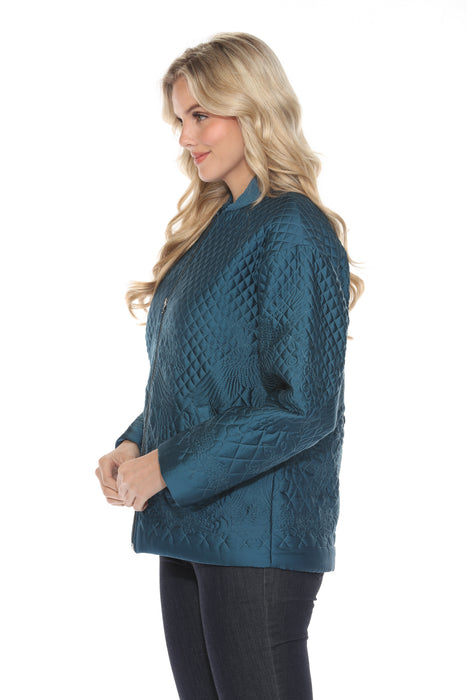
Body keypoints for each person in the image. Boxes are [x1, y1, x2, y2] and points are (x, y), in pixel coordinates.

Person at [95, 31, 364, 700]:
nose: (186, 136)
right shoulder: (212, 229)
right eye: (180, 119)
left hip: (255, 532)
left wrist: (165, 465)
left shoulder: (293, 228)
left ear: (251, 108)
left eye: (200, 115)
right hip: (190, 525)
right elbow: (197, 380)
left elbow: (303, 406)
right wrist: (134, 445)